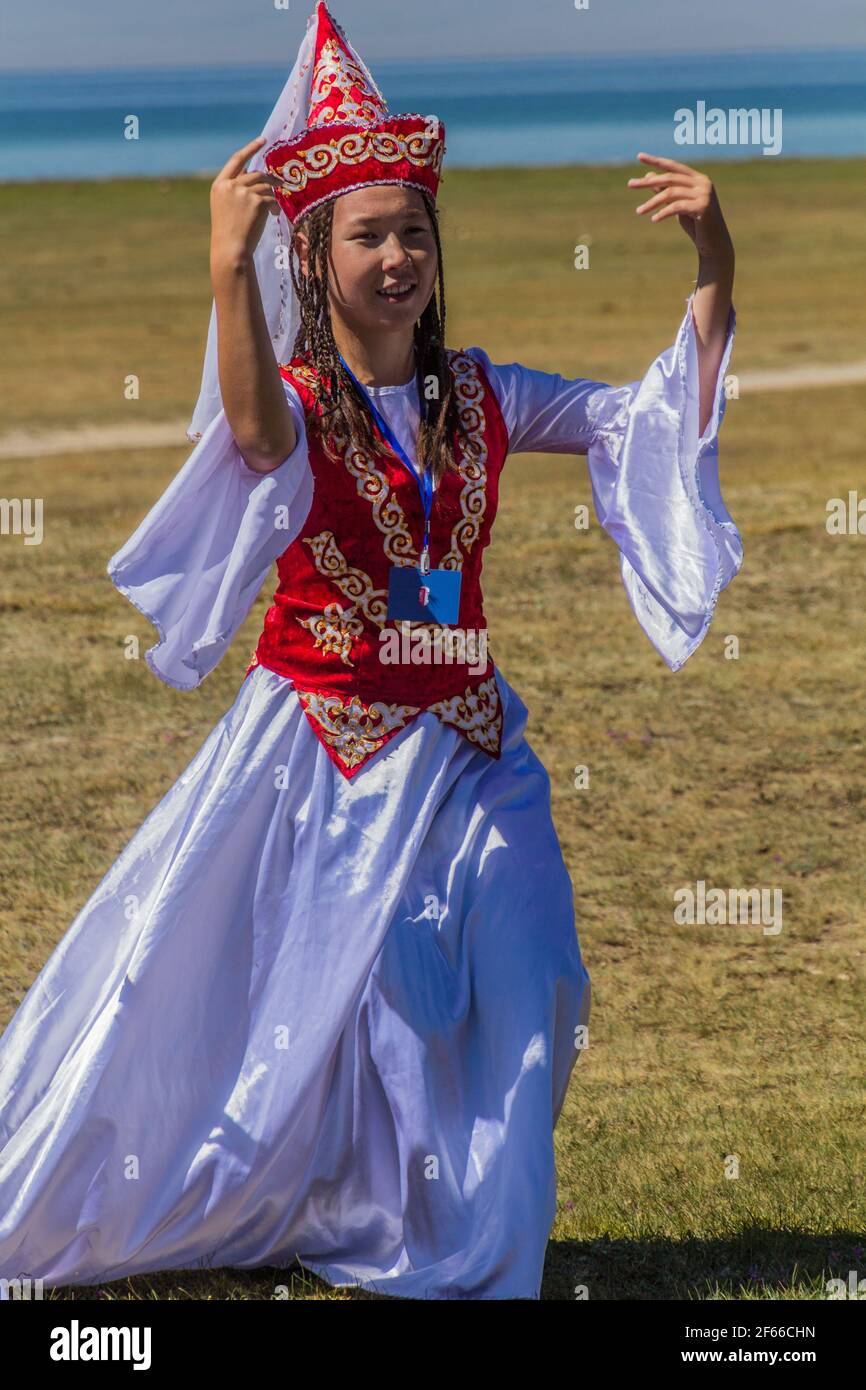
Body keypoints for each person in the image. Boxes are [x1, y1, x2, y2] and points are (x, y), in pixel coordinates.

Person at [0, 2, 741, 1301]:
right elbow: (251, 437)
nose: (397, 254)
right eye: (367, 233)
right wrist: (226, 275)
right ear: (314, 252)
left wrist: (713, 266)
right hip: (328, 756)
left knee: (533, 972)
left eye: (413, 231)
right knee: (355, 1008)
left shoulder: (484, 395)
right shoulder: (297, 407)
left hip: (471, 749)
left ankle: (475, 1243)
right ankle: (384, 1219)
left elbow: (640, 420)